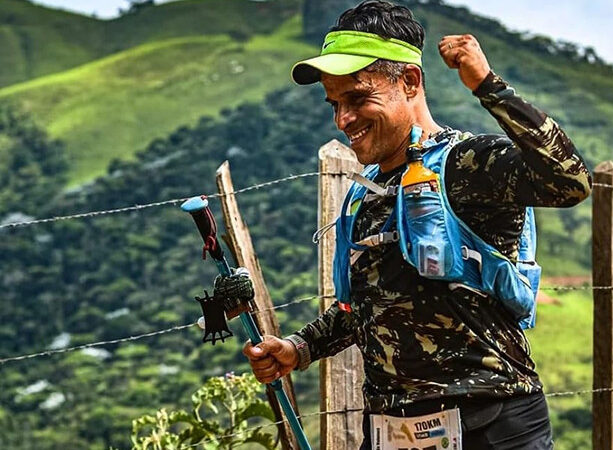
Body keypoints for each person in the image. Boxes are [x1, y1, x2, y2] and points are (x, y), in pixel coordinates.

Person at [242, 1, 592, 448]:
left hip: (490, 424)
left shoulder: (464, 164)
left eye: (357, 98)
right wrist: (299, 348)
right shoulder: (366, 193)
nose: (343, 119)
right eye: (334, 104)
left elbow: (570, 182)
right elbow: (370, 306)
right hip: (392, 430)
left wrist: (488, 86)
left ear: (409, 82)